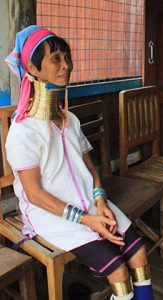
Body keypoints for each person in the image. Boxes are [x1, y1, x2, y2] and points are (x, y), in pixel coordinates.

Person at [5, 25, 154, 300]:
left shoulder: (69, 120)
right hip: (50, 214)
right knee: (119, 271)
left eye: (67, 58)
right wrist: (87, 220)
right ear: (33, 69)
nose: (66, 66)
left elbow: (91, 170)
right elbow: (35, 195)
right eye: (56, 59)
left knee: (140, 254)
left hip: (89, 203)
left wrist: (99, 202)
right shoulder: (23, 131)